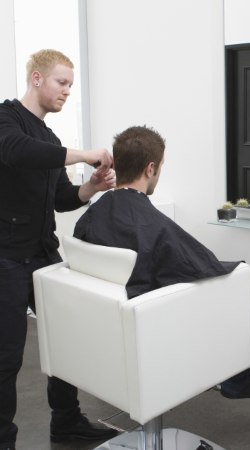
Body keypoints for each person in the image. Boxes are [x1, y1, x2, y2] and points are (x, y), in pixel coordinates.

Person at [73, 125, 250, 400]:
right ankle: (238, 378)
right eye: (161, 167)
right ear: (150, 169)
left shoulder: (94, 214)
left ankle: (237, 376)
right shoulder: (154, 226)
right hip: (154, 321)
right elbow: (201, 266)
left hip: (106, 324)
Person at [0, 49, 118, 448]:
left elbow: (63, 198)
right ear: (37, 79)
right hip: (6, 257)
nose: (67, 91)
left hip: (42, 252)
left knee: (66, 341)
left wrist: (92, 188)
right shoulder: (5, 119)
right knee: (7, 356)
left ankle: (66, 423)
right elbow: (18, 152)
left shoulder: (50, 137)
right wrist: (85, 154)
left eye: (70, 84)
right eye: (61, 82)